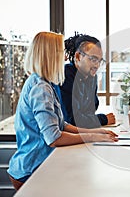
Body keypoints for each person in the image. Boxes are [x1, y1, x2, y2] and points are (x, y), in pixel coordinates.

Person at [7, 32, 118, 190]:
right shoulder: (40, 88)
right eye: (61, 53)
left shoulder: (45, 83)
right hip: (32, 169)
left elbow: (62, 124)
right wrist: (92, 136)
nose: (65, 58)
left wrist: (97, 133)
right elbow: (54, 137)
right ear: (49, 55)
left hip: (41, 164)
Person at [58, 33, 115, 128]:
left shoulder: (91, 77)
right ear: (78, 57)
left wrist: (89, 119)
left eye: (99, 61)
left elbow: (90, 111)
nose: (97, 65)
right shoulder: (65, 76)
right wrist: (103, 119)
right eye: (93, 59)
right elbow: (72, 120)